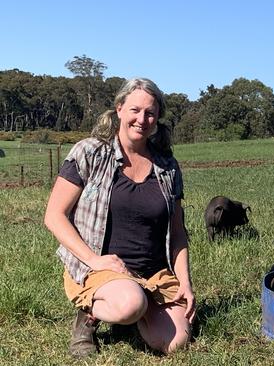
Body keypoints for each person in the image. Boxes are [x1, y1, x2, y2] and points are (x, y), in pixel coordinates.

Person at [44, 77, 195, 357]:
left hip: (153, 273)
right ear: (119, 109)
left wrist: (184, 281)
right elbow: (54, 216)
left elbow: (178, 233)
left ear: (158, 117)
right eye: (135, 110)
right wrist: (93, 259)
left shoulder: (167, 167)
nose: (142, 119)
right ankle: (88, 316)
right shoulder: (90, 152)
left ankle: (134, 308)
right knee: (129, 304)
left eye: (150, 112)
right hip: (98, 268)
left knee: (175, 343)